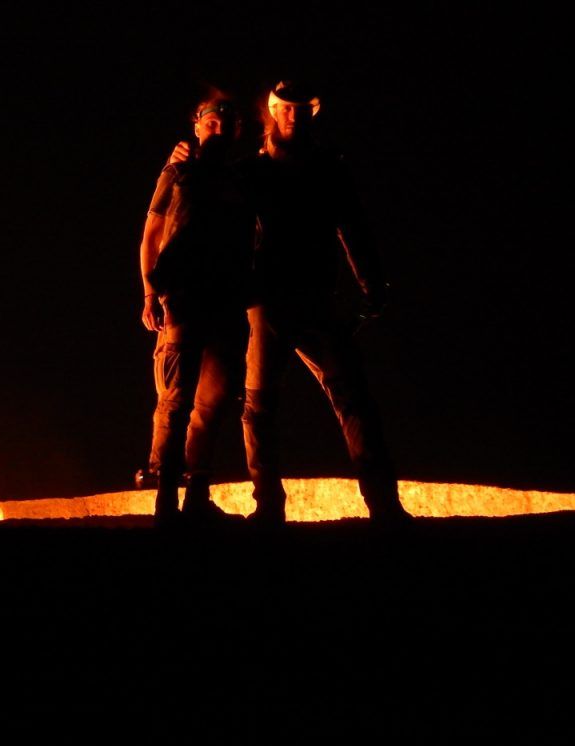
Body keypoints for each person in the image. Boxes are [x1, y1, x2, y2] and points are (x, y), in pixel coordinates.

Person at [169, 80, 412, 527]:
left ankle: (382, 505)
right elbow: (206, 213)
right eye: (289, 110)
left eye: (303, 111)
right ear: (273, 112)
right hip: (266, 302)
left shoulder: (322, 169)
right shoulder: (256, 173)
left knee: (349, 398)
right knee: (262, 406)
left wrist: (370, 286)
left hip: (312, 298)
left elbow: (352, 227)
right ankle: (271, 506)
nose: (296, 118)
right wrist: (181, 165)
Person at [137, 97, 253, 527]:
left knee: (213, 402)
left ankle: (196, 495)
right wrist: (150, 294)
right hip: (184, 297)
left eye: (226, 123)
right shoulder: (178, 170)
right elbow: (150, 233)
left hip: (227, 300)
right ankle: (166, 498)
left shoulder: (243, 177)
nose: (218, 129)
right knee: (175, 399)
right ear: (197, 126)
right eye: (211, 122)